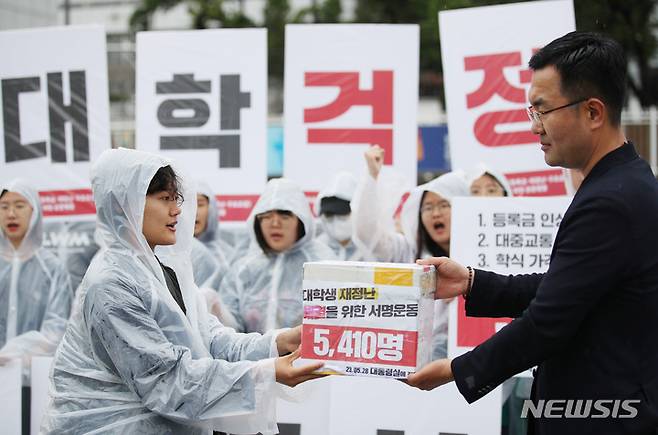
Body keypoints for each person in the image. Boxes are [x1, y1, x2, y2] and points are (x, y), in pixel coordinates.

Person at [406, 32, 658, 434]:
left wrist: (457, 370)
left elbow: (547, 321)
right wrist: (471, 282)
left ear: (593, 112)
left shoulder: (611, 200)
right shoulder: (621, 182)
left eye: (542, 110)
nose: (534, 127)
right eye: (532, 111)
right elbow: (568, 288)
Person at [41, 148, 322, 435]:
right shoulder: (111, 283)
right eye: (164, 199)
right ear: (126, 202)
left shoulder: (157, 270)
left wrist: (278, 342)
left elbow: (209, 340)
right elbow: (166, 380)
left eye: (176, 199)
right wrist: (266, 372)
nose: (176, 210)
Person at [353, 146, 469, 359]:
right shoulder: (408, 252)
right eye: (427, 208)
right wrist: (371, 177)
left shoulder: (481, 258)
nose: (435, 213)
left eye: (444, 204)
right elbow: (367, 233)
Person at [0, 180, 74, 435]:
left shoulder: (52, 268)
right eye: (4, 206)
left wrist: (17, 351)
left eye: (20, 205)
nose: (11, 213)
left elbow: (58, 327)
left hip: (33, 382)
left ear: (35, 212)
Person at [219, 178, 336, 334]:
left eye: (284, 215)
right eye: (266, 216)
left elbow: (334, 321)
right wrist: (216, 308)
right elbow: (231, 332)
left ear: (301, 221)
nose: (275, 223)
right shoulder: (244, 269)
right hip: (253, 358)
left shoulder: (322, 264)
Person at [315, 171, 367, 261]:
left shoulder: (374, 247)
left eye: (342, 214)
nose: (336, 220)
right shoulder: (316, 250)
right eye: (329, 215)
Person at [194, 181, 234, 280]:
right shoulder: (167, 253)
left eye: (199, 204)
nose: (193, 211)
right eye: (188, 205)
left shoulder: (227, 256)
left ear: (211, 208)